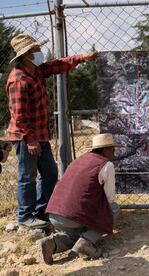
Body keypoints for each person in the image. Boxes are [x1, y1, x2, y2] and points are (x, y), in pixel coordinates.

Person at [6, 33, 97, 229]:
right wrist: (30, 140)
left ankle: (41, 211)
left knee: (49, 172)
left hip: (39, 134)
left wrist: (82, 58)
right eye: (36, 50)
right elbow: (19, 115)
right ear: (26, 55)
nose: (40, 52)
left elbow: (56, 65)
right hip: (25, 137)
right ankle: (25, 216)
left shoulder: (36, 71)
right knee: (27, 176)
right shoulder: (18, 79)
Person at [38, 133, 120, 265]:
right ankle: (86, 244)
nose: (114, 151)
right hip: (73, 216)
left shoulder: (80, 159)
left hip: (54, 213)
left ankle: (51, 243)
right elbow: (110, 199)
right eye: (112, 148)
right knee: (114, 208)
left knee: (79, 235)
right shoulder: (106, 165)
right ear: (105, 150)